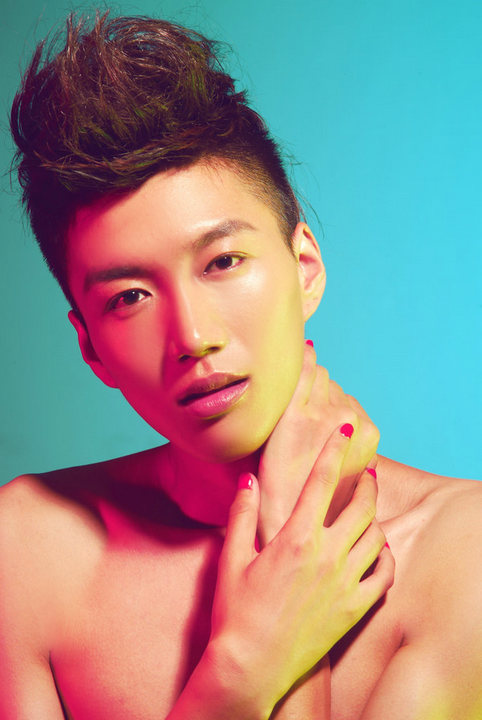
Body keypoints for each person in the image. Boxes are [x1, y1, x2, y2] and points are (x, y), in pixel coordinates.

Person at [1, 12, 480, 720]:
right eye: (130, 297)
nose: (193, 336)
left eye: (223, 262)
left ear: (305, 266)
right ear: (91, 346)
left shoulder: (463, 555)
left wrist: (291, 529)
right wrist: (242, 667)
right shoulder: (27, 551)